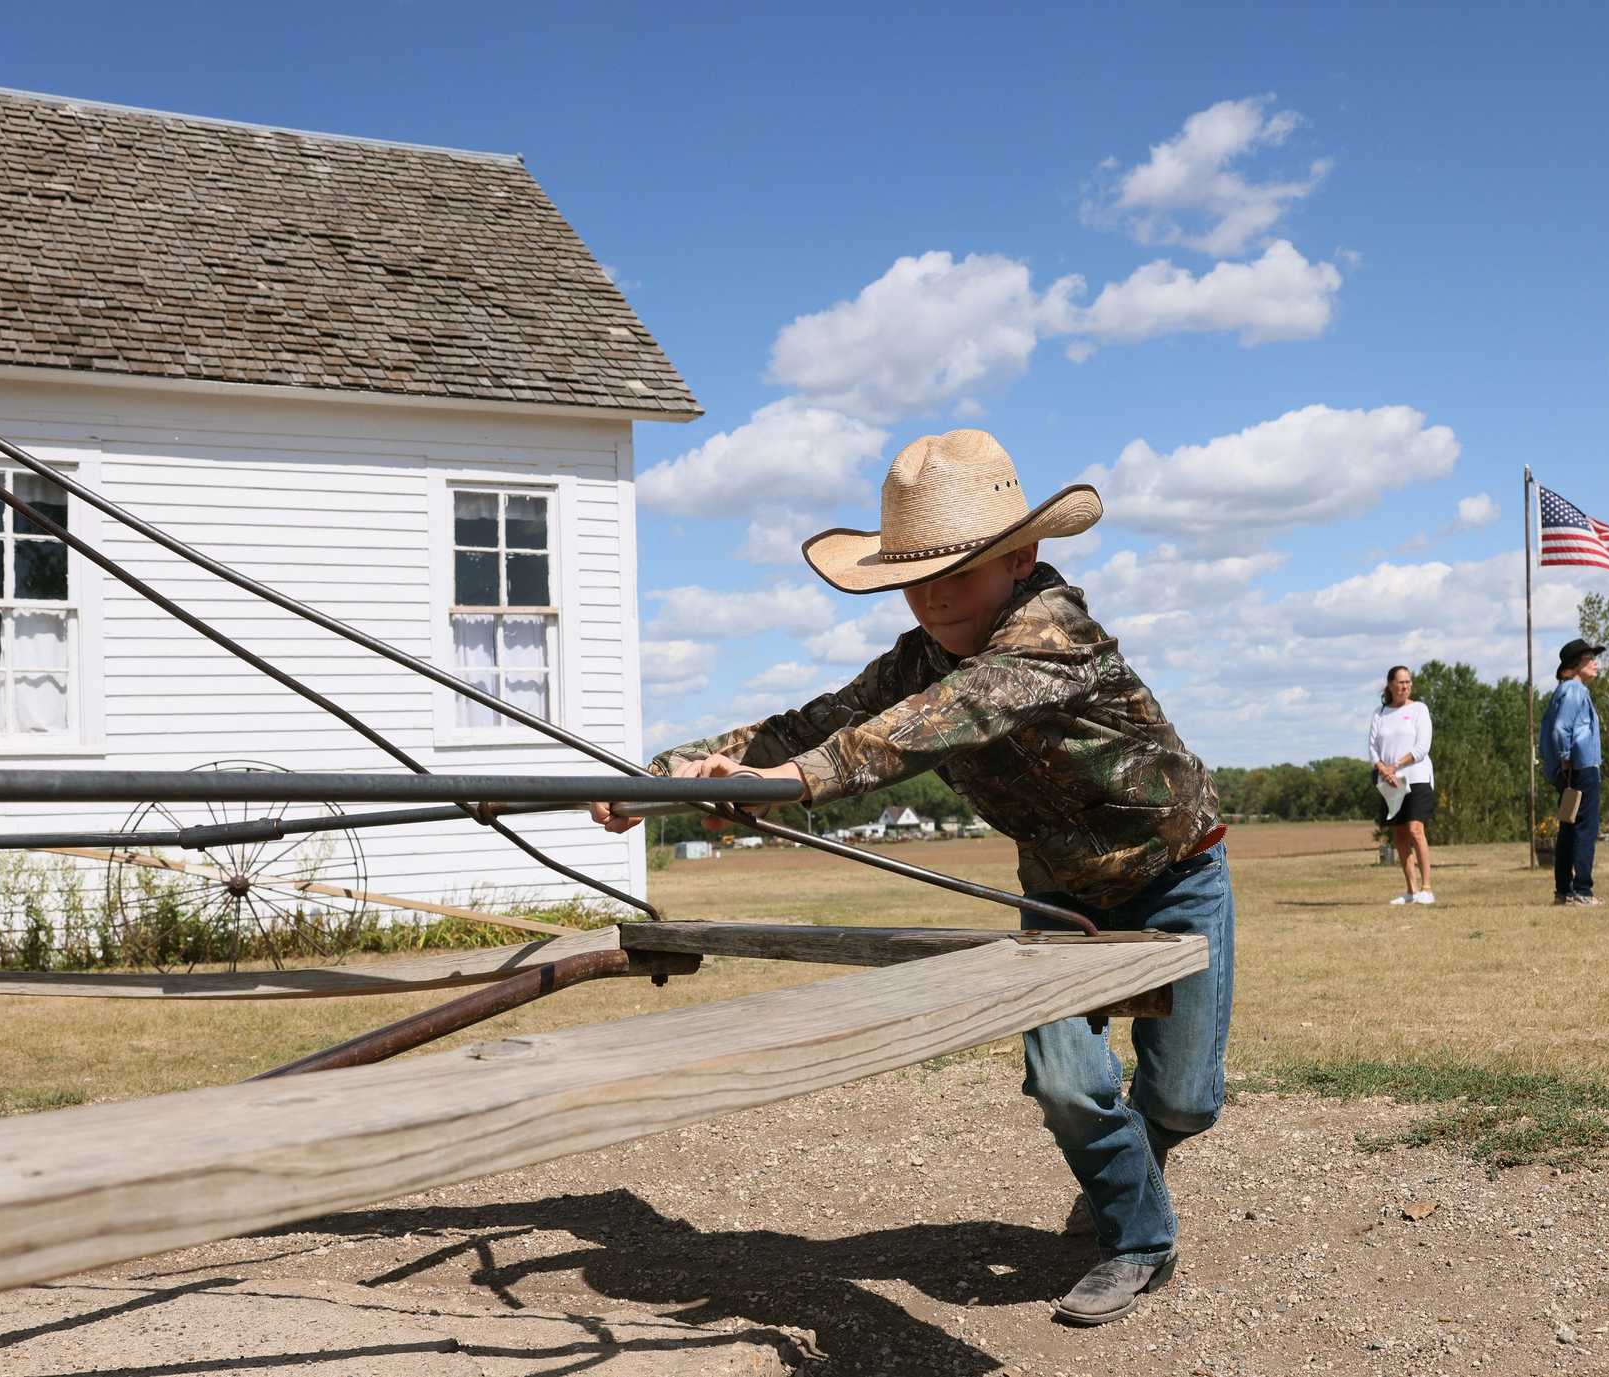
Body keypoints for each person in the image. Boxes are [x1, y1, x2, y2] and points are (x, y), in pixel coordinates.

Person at [591, 429, 1233, 1327]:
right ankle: (1137, 1237)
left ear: (1023, 558)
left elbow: (934, 723)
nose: (931, 600)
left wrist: (792, 783)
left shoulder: (1055, 635)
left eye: (957, 575)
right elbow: (807, 724)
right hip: (1054, 893)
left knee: (1183, 1099)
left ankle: (1132, 1168)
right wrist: (660, 783)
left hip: (1176, 873)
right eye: (915, 580)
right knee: (1065, 1081)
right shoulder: (915, 658)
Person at [1540, 638, 1605, 906]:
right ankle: (1582, 890)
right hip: (1581, 766)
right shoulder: (1575, 690)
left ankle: (1564, 890)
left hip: (1573, 768)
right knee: (1584, 829)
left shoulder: (1566, 690)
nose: (1595, 663)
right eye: (1589, 659)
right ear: (1574, 666)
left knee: (1569, 827)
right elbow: (1560, 729)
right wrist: (1567, 758)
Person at [1368, 665, 1435, 905]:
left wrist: (1395, 765)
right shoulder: (1380, 712)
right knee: (1399, 835)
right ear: (1390, 685)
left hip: (1416, 778)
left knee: (1416, 830)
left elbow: (1421, 748)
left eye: (1408, 682)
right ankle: (1411, 890)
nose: (1405, 686)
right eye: (1400, 682)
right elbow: (1373, 747)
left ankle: (1427, 888)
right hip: (1389, 783)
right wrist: (1383, 769)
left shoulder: (1419, 710)